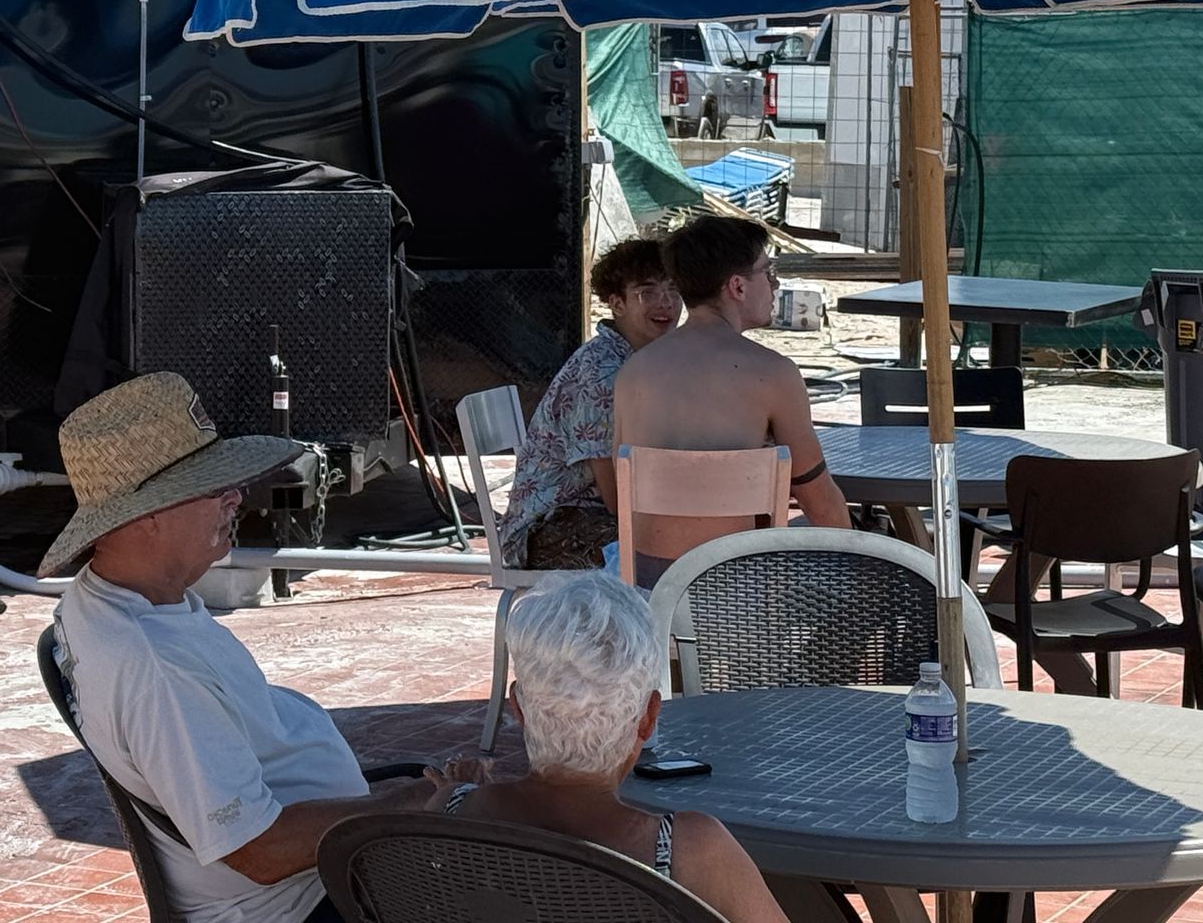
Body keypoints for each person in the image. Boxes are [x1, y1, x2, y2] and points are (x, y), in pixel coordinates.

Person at [42, 372, 473, 923]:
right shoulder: (154, 670)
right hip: (308, 901)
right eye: (210, 486)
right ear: (144, 518)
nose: (235, 497)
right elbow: (258, 852)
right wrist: (410, 805)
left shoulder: (108, 600)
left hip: (326, 867)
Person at [427, 571, 787, 923]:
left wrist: (466, 793)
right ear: (647, 719)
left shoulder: (449, 815)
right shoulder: (689, 850)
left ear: (519, 708)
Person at [611, 216, 850, 586]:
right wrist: (857, 563)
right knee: (869, 554)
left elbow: (618, 478)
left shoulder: (633, 372)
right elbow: (819, 501)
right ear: (737, 286)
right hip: (739, 594)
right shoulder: (772, 373)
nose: (775, 284)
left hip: (648, 588)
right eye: (767, 272)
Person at [500, 238, 682, 569]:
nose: (665, 303)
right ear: (617, 303)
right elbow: (616, 498)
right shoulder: (604, 373)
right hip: (550, 528)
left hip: (596, 514)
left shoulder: (650, 360)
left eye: (673, 289)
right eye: (648, 292)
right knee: (679, 546)